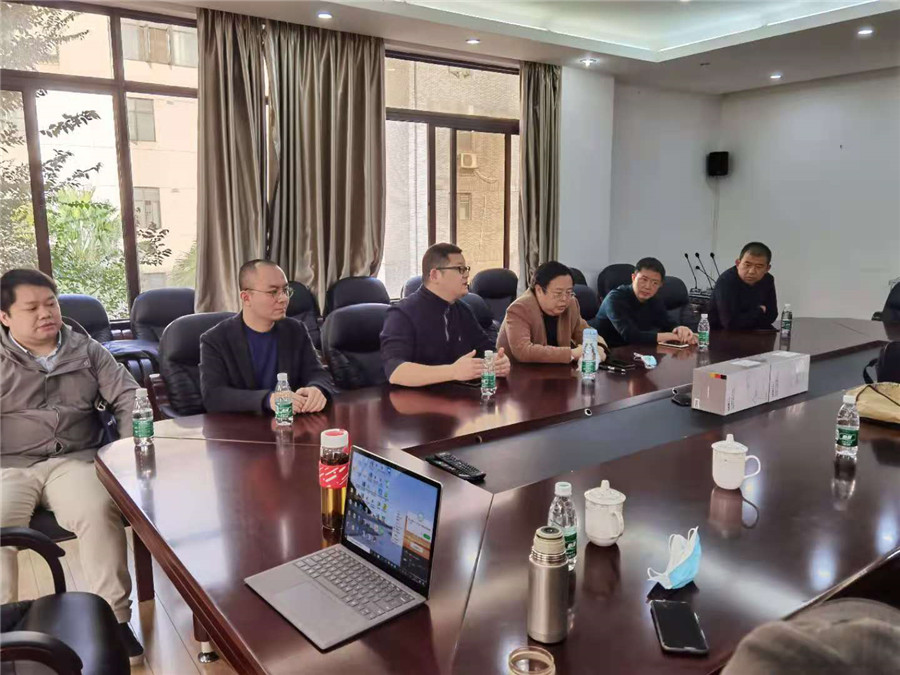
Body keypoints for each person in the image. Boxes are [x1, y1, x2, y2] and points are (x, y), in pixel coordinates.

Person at [0, 268, 144, 662]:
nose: (45, 313)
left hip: (74, 460)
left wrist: (127, 450)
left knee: (98, 510)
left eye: (51, 303)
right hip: (9, 465)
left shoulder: (87, 350)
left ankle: (114, 621)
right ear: (5, 316)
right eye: (31, 307)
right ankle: (5, 630)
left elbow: (129, 397)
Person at [200, 260, 336, 414]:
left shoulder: (295, 330)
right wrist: (268, 399)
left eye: (285, 290)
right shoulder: (215, 339)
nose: (284, 298)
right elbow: (214, 396)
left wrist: (317, 389)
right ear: (246, 298)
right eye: (273, 292)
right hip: (242, 426)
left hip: (291, 422)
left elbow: (317, 373)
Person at [380, 243, 511, 387]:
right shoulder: (402, 313)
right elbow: (396, 372)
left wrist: (498, 361)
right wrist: (453, 371)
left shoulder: (463, 310)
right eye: (459, 269)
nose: (466, 274)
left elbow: (486, 350)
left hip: (460, 396)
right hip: (415, 398)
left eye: (466, 269)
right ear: (435, 275)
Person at [498, 261, 608, 364]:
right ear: (539, 290)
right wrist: (572, 353)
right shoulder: (519, 309)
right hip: (520, 373)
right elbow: (523, 351)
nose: (564, 299)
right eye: (558, 293)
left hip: (557, 371)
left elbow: (584, 331)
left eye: (569, 292)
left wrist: (598, 347)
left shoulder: (571, 304)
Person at [591, 257, 697, 348]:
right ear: (633, 278)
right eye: (644, 280)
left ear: (660, 285)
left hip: (636, 351)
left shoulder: (654, 299)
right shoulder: (615, 298)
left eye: (655, 283)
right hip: (605, 352)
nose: (648, 287)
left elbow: (667, 323)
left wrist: (680, 329)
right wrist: (674, 336)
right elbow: (630, 336)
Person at [709, 242, 778, 330]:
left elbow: (772, 315)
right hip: (721, 333)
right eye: (747, 265)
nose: (752, 271)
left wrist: (745, 317)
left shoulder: (768, 280)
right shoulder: (727, 281)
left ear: (767, 269)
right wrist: (760, 311)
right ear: (738, 263)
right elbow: (730, 323)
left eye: (759, 266)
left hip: (756, 332)